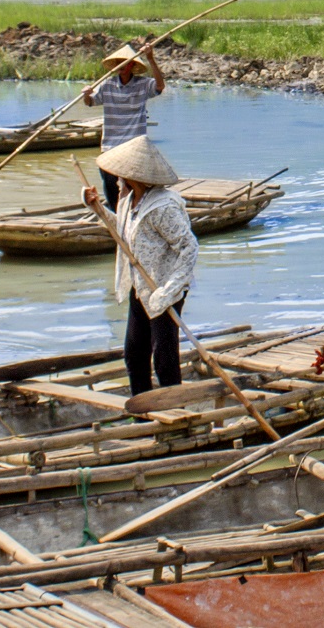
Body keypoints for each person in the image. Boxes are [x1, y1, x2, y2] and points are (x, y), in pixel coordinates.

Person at [82, 135, 196, 398]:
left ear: (131, 177)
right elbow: (123, 234)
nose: (115, 181)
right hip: (140, 287)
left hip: (163, 288)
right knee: (134, 354)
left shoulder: (163, 208)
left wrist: (168, 291)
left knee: (164, 359)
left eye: (118, 177)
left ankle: (174, 414)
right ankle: (143, 411)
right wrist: (97, 208)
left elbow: (189, 247)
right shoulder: (129, 201)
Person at [84, 43, 165, 209]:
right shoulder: (107, 85)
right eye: (117, 63)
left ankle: (134, 211)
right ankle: (115, 213)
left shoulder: (142, 85)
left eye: (124, 62)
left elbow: (159, 86)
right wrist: (86, 94)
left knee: (132, 184)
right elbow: (90, 102)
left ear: (132, 65)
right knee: (109, 183)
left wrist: (150, 58)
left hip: (133, 145)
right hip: (111, 145)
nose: (119, 66)